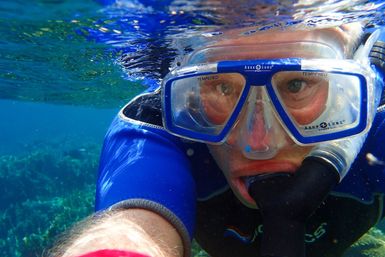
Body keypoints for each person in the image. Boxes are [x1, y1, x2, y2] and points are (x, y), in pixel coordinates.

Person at [49, 23, 385, 257]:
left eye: (296, 85)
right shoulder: (158, 129)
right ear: (187, 92)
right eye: (223, 88)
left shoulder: (375, 121)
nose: (259, 143)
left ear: (351, 87)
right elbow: (130, 229)